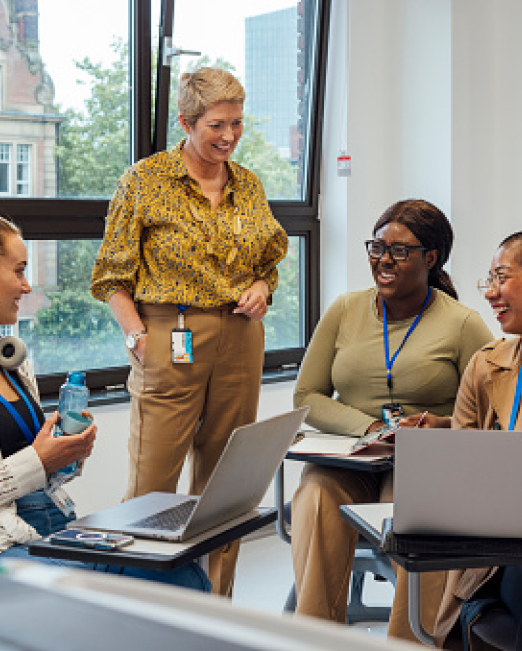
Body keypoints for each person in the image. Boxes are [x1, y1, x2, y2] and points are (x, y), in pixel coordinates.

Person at [91, 67, 288, 596]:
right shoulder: (145, 180)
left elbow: (270, 260)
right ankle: (143, 604)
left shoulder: (247, 183)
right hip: (168, 331)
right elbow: (111, 274)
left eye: (238, 124)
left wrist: (263, 289)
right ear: (186, 121)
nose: (229, 136)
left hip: (241, 335)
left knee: (227, 482)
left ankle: (214, 602)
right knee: (153, 480)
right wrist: (137, 338)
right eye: (217, 125)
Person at [291, 199, 493, 642]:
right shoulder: (344, 310)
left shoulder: (462, 324)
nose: (383, 259)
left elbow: (490, 410)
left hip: (424, 464)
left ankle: (410, 641)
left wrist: (437, 425)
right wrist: (369, 429)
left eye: (399, 251)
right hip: (351, 461)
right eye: (377, 247)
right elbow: (307, 395)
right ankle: (314, 638)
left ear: (431, 258)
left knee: (417, 509)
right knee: (316, 496)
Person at [0, 216, 209, 590]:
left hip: (48, 519)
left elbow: (41, 468)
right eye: (19, 271)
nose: (27, 285)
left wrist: (65, 454)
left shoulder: (13, 362)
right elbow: (31, 462)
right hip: (9, 544)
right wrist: (39, 460)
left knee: (177, 571)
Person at [427, 232, 522, 650]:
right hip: (502, 545)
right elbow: (464, 475)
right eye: (489, 278)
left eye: (502, 277)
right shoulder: (485, 366)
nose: (490, 292)